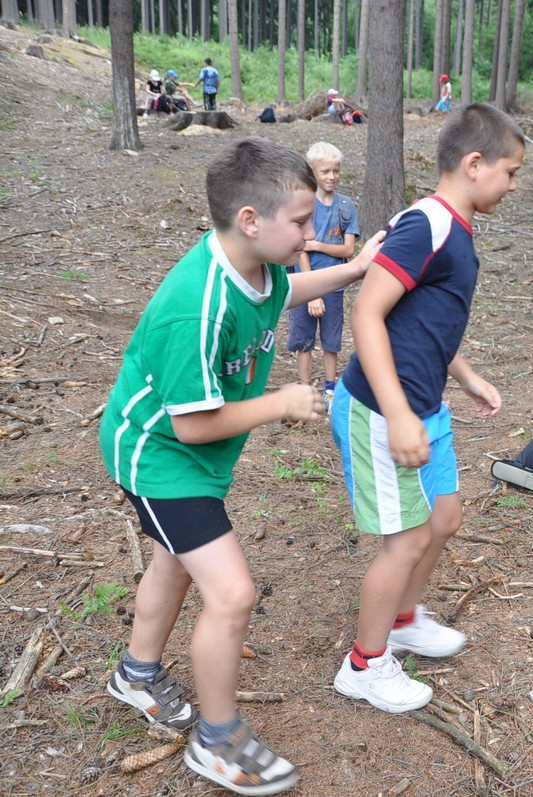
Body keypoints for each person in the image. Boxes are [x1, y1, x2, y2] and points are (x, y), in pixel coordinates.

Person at [99, 137, 383, 793]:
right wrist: (279, 402)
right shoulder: (195, 306)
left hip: (184, 459)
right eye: (302, 221)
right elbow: (192, 425)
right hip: (158, 456)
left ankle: (137, 673)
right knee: (231, 594)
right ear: (251, 220)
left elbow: (287, 290)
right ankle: (218, 740)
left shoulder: (256, 266)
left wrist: (354, 269)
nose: (311, 234)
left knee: (175, 560)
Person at [328, 103, 523, 713]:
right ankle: (365, 665)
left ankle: (404, 620)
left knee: (443, 520)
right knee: (408, 540)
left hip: (424, 405)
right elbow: (368, 313)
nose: (513, 185)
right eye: (511, 172)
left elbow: (421, 321)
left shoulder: (455, 229)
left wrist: (465, 375)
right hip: (380, 408)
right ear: (474, 164)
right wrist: (398, 414)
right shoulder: (427, 225)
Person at [287, 142, 359, 408]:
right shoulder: (305, 205)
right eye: (325, 171)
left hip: (334, 284)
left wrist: (317, 245)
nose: (331, 176)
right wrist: (311, 293)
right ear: (312, 171)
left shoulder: (345, 206)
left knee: (331, 340)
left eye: (336, 171)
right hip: (303, 283)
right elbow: (299, 249)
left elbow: (348, 249)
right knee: (303, 339)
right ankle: (305, 389)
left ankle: (330, 389)